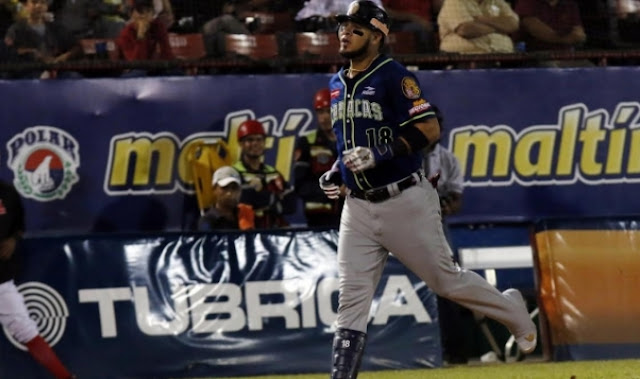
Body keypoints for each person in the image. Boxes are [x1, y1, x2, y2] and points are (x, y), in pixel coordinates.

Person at [318, 2, 536, 376]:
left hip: (403, 199)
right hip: (357, 208)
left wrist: (379, 154)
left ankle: (512, 310)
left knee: (446, 281)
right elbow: (349, 145)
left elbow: (429, 130)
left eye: (355, 27)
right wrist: (336, 172)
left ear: (377, 34)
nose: (345, 32)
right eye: (342, 26)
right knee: (351, 300)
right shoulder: (338, 83)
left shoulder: (393, 75)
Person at [0, 179, 75, 379]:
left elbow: (19, 225)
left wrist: (13, 240)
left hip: (0, 278)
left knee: (25, 329)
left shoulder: (6, 192)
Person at [421, 105, 469, 364]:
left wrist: (443, 204)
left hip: (438, 227)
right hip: (405, 226)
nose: (431, 130)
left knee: (449, 285)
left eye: (435, 125)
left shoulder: (448, 158)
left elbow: (456, 200)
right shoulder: (405, 156)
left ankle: (456, 352)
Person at [232, 119, 297, 229]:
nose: (255, 144)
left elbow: (291, 206)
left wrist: (264, 199)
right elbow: (241, 201)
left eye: (259, 139)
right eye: (250, 140)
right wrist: (274, 198)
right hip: (247, 233)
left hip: (274, 234)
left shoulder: (273, 173)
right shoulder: (234, 172)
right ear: (241, 144)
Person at [293, 88, 344, 228]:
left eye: (329, 111)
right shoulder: (307, 143)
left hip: (352, 216)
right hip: (319, 221)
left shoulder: (350, 141)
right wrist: (336, 191)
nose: (325, 117)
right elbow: (301, 186)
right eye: (320, 112)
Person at [4, 0, 82, 79]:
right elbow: (9, 53)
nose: (39, 6)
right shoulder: (16, 30)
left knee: (74, 77)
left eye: (43, 2)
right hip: (29, 73)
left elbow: (76, 47)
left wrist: (62, 58)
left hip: (58, 72)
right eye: (34, 2)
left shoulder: (57, 28)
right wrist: (34, 55)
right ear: (25, 6)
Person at [514, 0, 591, 67]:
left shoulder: (570, 4)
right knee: (552, 69)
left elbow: (578, 34)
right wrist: (566, 39)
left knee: (590, 67)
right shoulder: (528, 2)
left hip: (567, 56)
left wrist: (580, 37)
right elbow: (533, 27)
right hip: (537, 55)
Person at [437, 0, 519, 55]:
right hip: (466, 59)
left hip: (505, 57)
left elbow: (513, 24)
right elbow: (466, 30)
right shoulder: (455, 1)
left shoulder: (498, 2)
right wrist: (500, 27)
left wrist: (481, 19)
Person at [198, 165, 255, 231]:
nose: (229, 193)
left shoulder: (246, 215)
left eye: (234, 188)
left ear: (240, 191)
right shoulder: (207, 221)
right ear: (214, 189)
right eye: (224, 188)